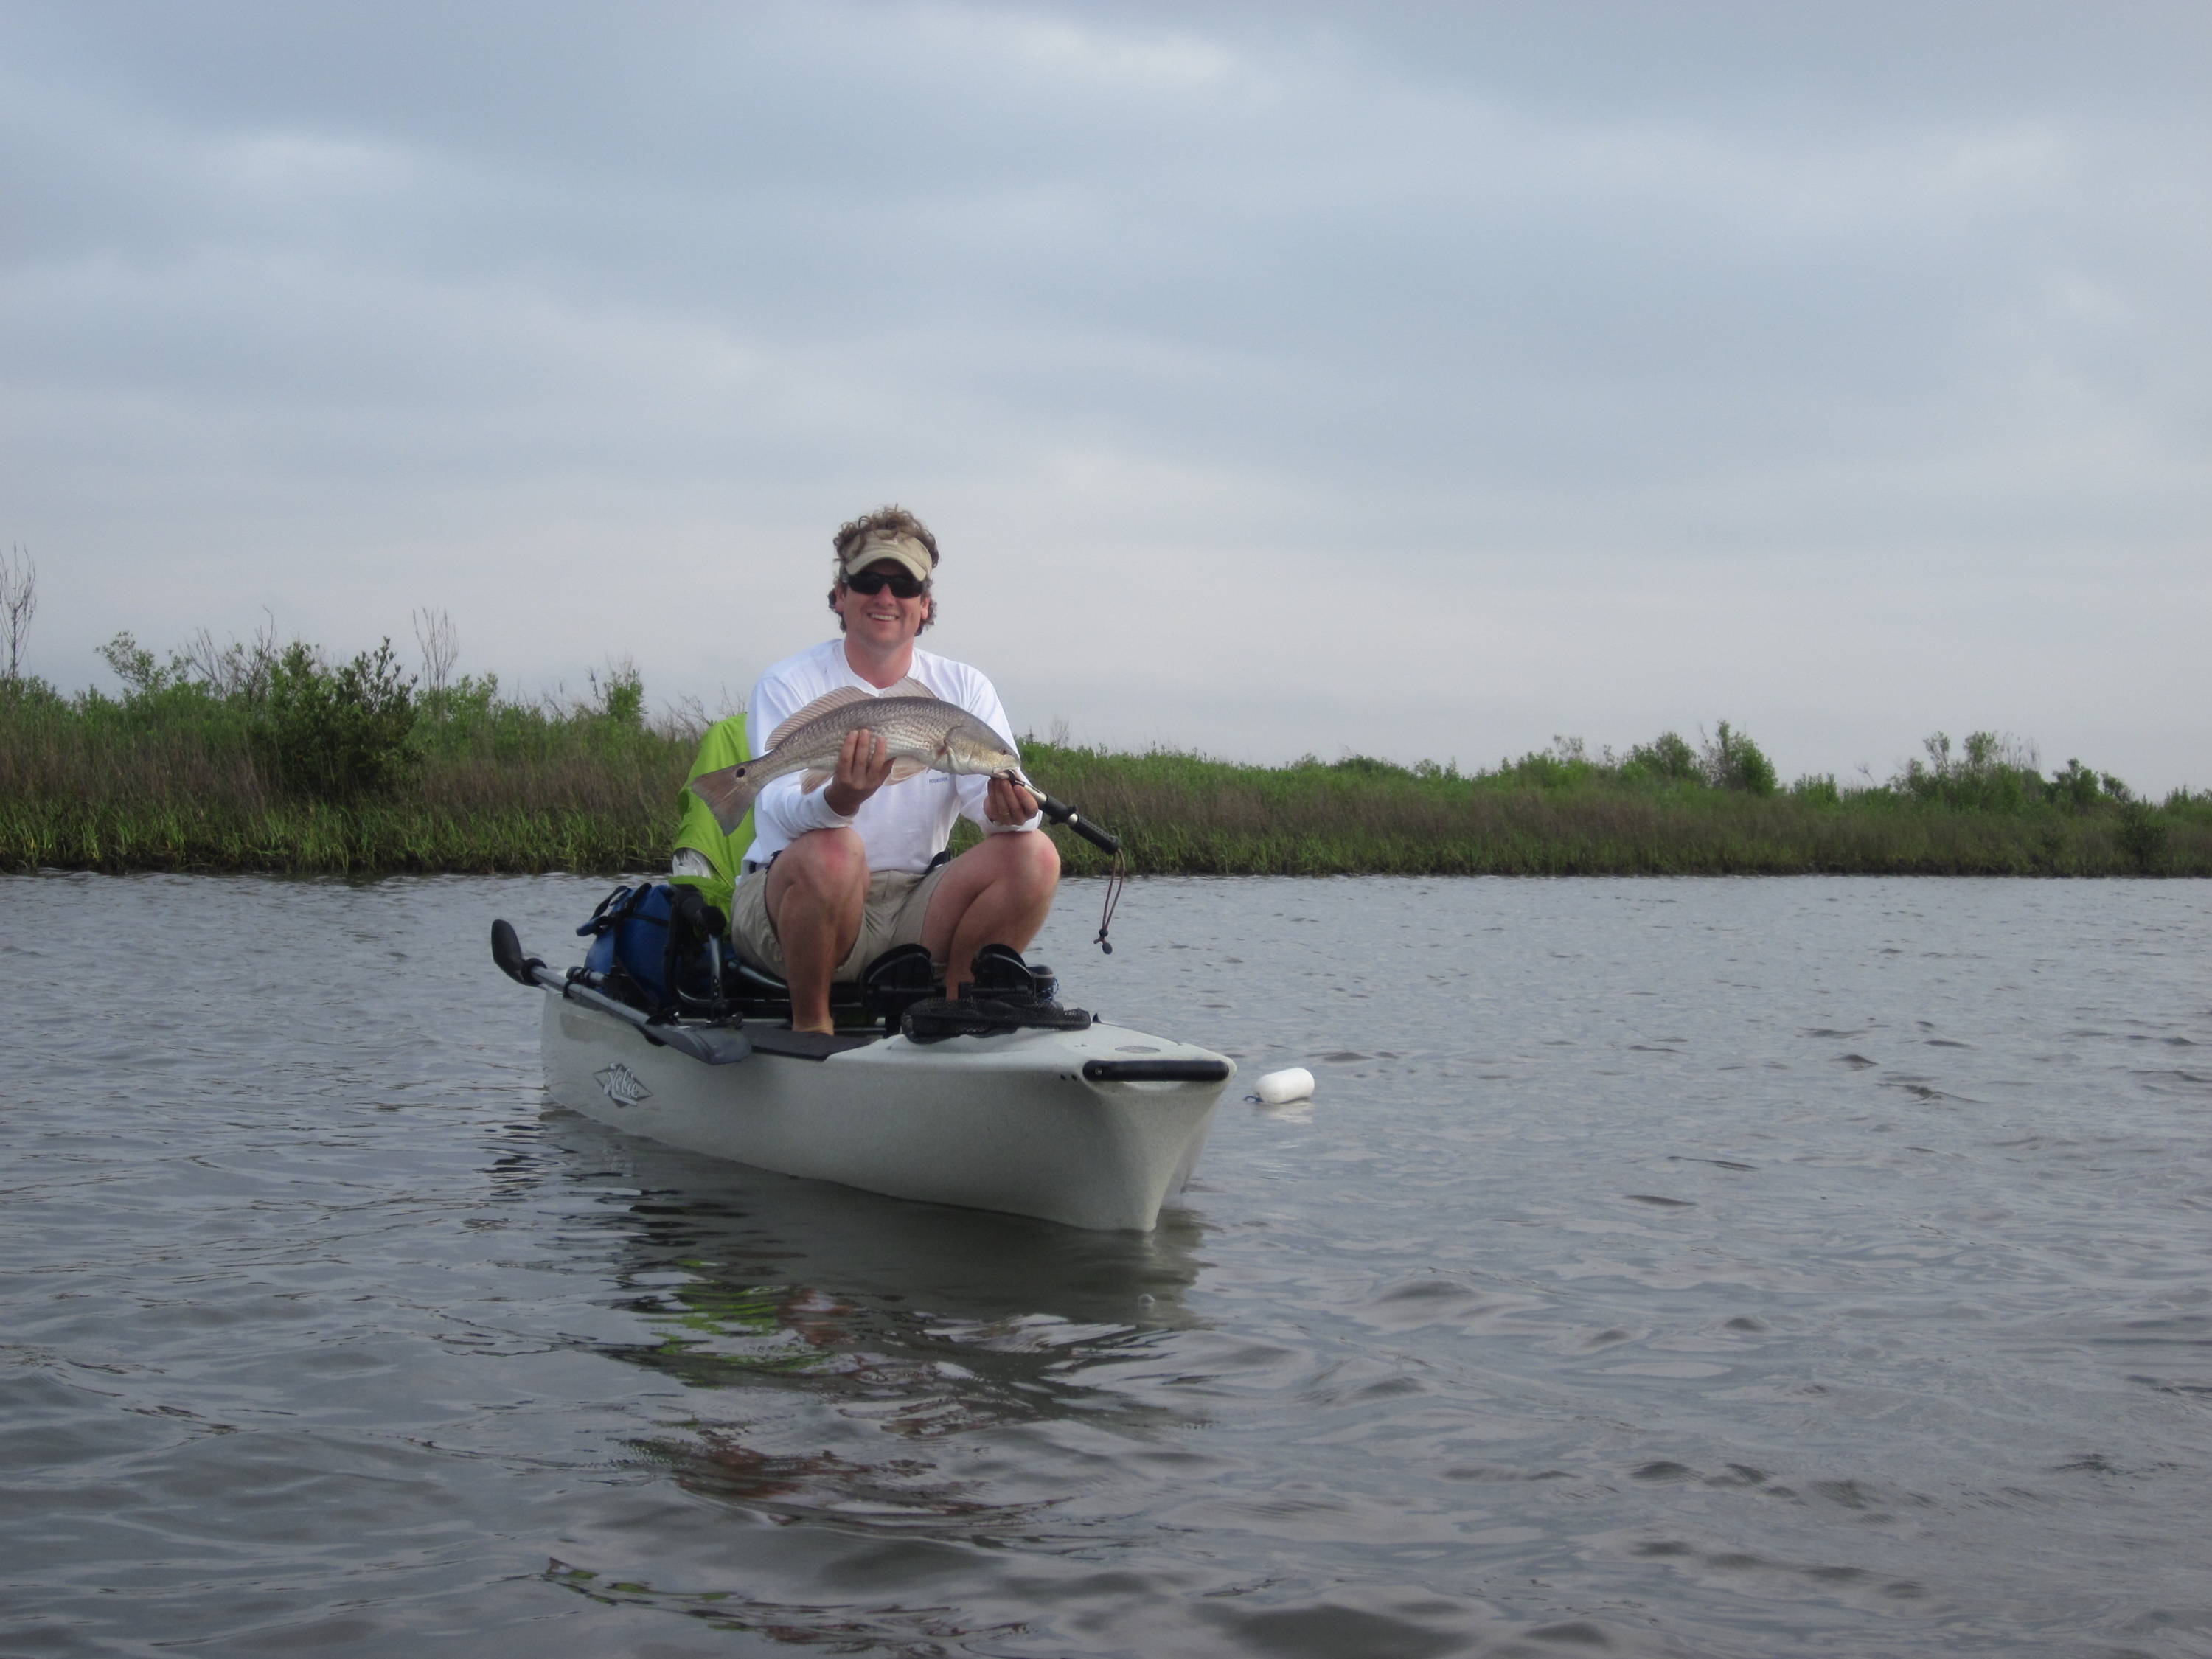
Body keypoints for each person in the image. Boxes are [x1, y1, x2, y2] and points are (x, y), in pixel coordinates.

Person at [710, 506, 1060, 1033]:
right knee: (835, 848)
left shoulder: (965, 688)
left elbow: (996, 799)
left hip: (917, 908)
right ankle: (813, 1028)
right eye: (868, 581)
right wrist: (839, 801)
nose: (885, 597)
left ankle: (954, 1014)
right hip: (795, 908)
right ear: (840, 597)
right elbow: (777, 813)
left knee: (1035, 854)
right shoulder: (789, 681)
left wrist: (1013, 812)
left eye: (904, 585)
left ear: (925, 605)